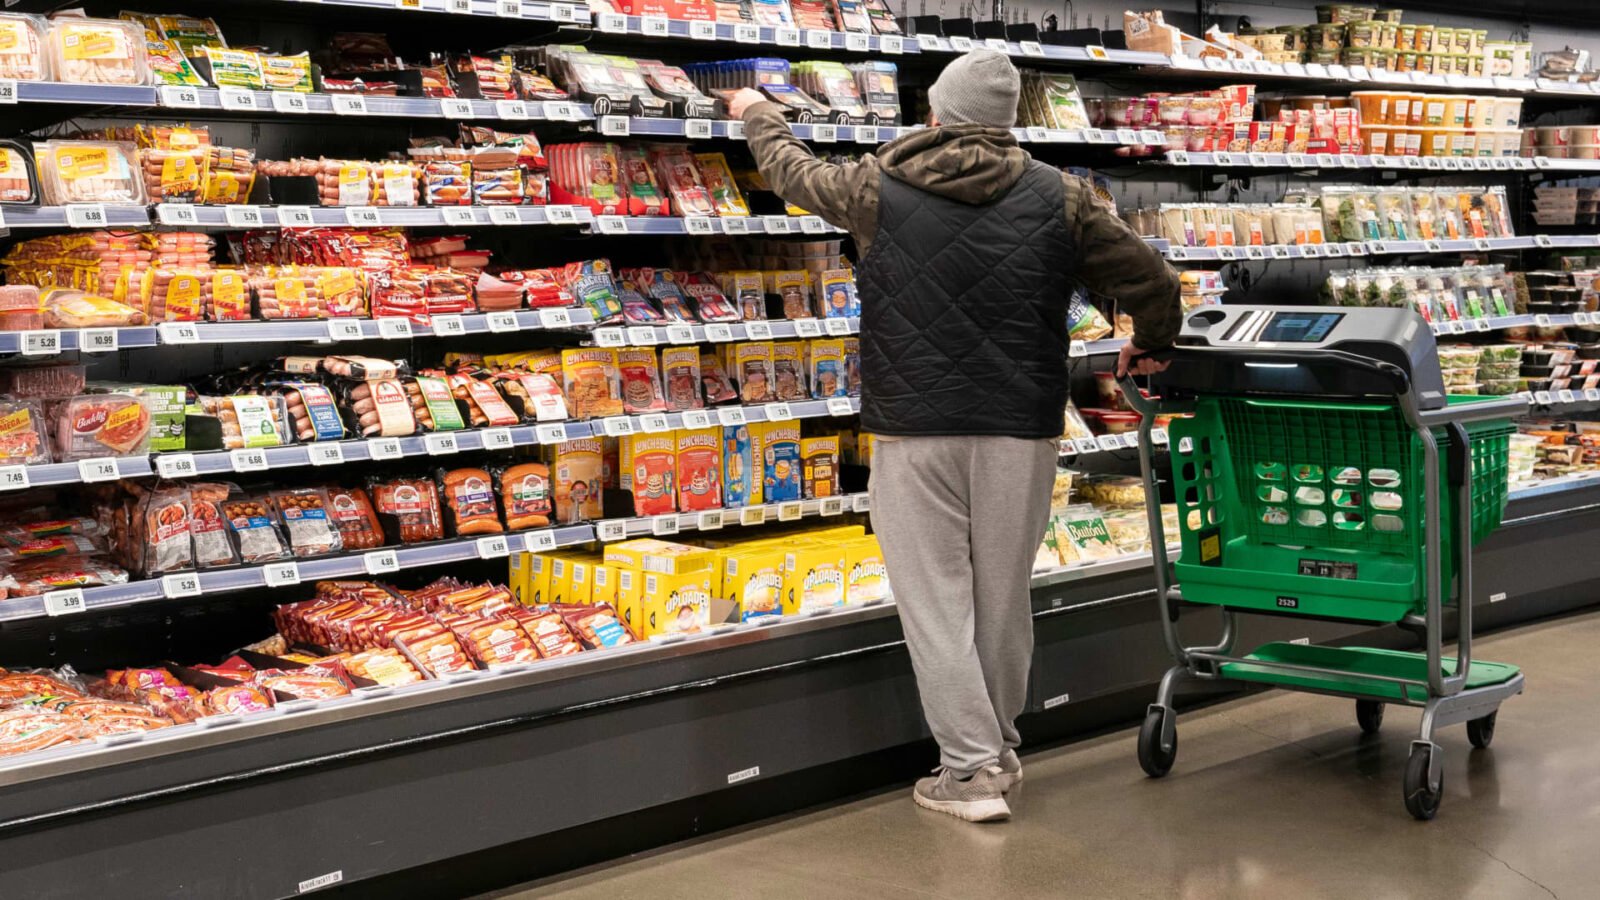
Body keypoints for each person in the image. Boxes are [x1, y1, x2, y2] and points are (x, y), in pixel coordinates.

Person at [729, 50, 1182, 823]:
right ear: (1008, 120)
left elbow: (793, 174)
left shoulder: (879, 184)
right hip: (1021, 427)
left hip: (915, 432)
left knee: (936, 602)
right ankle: (996, 754)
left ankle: (969, 774)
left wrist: (756, 116)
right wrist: (1152, 343)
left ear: (935, 113)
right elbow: (1153, 281)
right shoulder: (1060, 196)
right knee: (1003, 597)